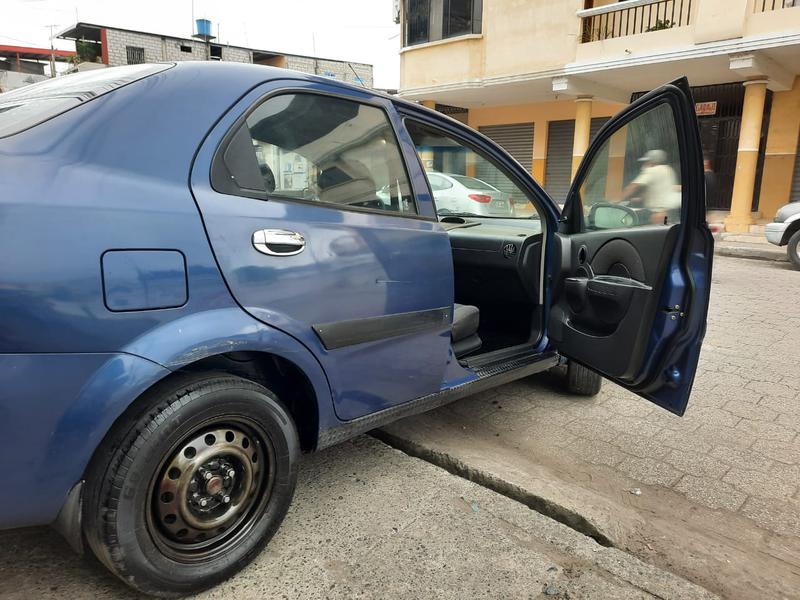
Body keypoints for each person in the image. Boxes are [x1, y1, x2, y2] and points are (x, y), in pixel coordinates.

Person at [622, 149, 680, 224]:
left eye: (647, 161)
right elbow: (660, 189)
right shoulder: (668, 169)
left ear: (653, 161)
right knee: (665, 229)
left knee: (656, 232)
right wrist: (640, 198)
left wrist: (618, 199)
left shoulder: (652, 170)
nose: (645, 163)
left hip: (659, 214)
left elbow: (633, 186)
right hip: (669, 212)